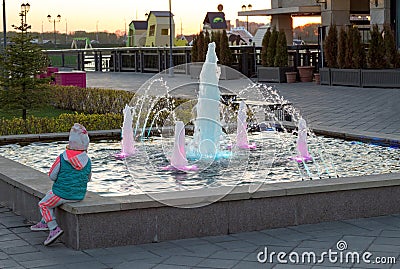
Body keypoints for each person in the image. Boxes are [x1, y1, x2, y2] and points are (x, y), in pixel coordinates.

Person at [30, 123, 92, 246]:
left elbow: (52, 176)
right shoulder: (88, 160)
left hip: (62, 193)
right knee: (49, 195)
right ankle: (44, 221)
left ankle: (53, 228)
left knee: (43, 204)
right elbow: (88, 178)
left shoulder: (62, 158)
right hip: (79, 195)